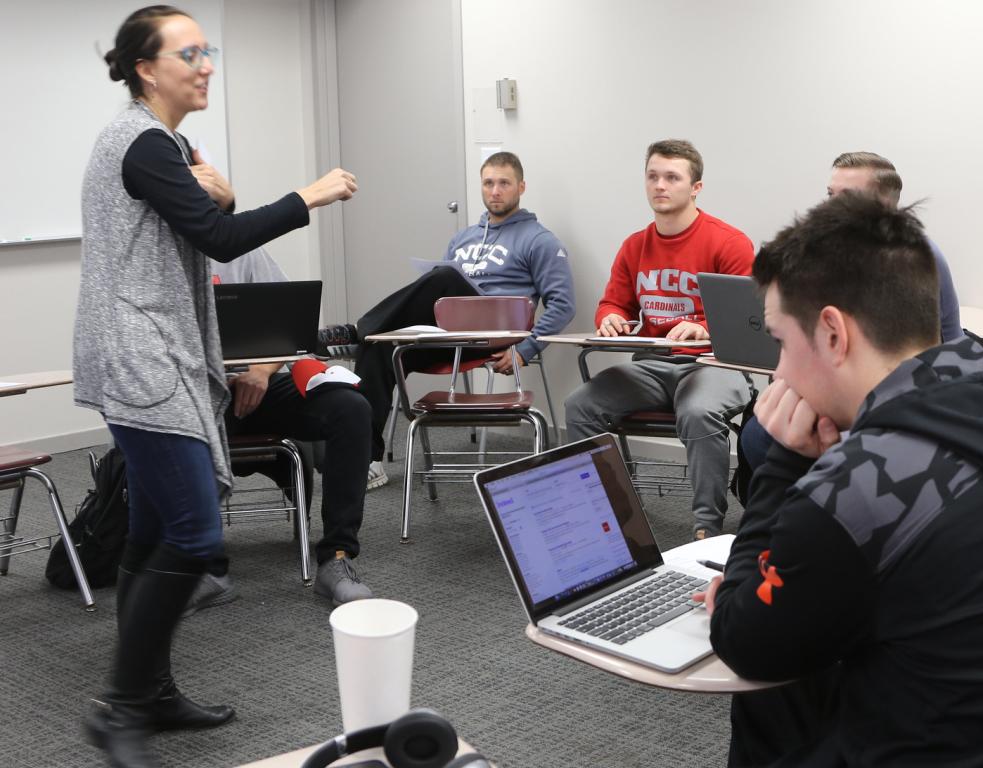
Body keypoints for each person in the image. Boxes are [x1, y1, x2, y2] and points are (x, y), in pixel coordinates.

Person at [703, 193, 983, 765]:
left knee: (772, 696)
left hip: (966, 746)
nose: (779, 372)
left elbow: (743, 642)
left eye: (781, 342)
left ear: (834, 333)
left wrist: (785, 462)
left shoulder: (855, 493)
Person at [74, 7, 355, 767]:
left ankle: (151, 691)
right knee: (195, 534)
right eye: (188, 52)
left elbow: (200, 221)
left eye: (209, 49)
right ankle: (121, 704)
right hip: (142, 356)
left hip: (151, 348)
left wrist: (219, 198)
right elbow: (220, 239)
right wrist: (309, 196)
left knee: (150, 532)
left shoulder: (160, 144)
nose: (205, 64)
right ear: (145, 68)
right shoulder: (141, 143)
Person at [318, 151, 575, 486]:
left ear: (521, 187)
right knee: (380, 350)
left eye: (503, 183)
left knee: (443, 278)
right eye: (488, 183)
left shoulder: (540, 240)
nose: (495, 191)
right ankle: (369, 459)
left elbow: (563, 304)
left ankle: (359, 330)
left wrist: (524, 350)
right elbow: (437, 302)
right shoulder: (464, 237)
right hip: (449, 335)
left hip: (493, 336)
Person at [564, 139, 754, 539]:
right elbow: (612, 303)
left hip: (714, 365)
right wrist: (612, 319)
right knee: (580, 405)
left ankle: (707, 526)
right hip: (653, 366)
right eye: (653, 176)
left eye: (672, 177)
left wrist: (706, 326)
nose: (660, 185)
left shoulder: (729, 242)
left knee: (698, 411)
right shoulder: (635, 246)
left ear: (696, 187)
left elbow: (747, 319)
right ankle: (606, 512)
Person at [737, 150, 963, 475]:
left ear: (885, 205)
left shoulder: (913, 257)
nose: (831, 206)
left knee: (770, 434)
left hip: (903, 385)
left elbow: (915, 351)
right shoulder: (835, 256)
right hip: (854, 376)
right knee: (760, 427)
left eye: (847, 197)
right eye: (830, 195)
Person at [202, 248, 374, 608]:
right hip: (194, 393)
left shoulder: (241, 247)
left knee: (351, 409)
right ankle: (204, 569)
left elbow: (290, 326)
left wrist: (262, 371)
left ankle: (336, 560)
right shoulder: (159, 250)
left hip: (255, 385)